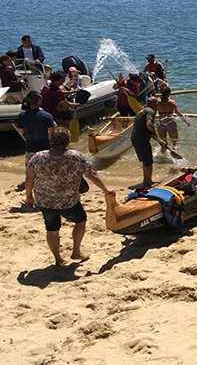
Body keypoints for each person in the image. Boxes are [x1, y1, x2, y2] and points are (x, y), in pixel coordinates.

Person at [25, 127, 115, 266]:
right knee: (80, 221)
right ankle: (76, 252)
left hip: (45, 201)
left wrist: (28, 196)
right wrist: (105, 189)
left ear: (51, 141)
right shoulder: (75, 156)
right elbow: (91, 175)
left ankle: (58, 259)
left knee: (52, 229)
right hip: (69, 202)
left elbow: (29, 178)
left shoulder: (38, 157)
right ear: (67, 141)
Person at [131, 97, 168, 189]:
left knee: (145, 161)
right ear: (155, 104)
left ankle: (146, 181)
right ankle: (148, 183)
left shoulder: (143, 110)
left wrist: (158, 140)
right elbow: (149, 124)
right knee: (149, 162)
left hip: (136, 138)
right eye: (158, 103)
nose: (159, 105)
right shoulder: (150, 111)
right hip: (141, 140)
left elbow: (147, 131)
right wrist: (159, 139)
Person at [13, 91, 55, 165]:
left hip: (30, 148)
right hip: (45, 149)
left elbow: (21, 132)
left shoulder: (22, 116)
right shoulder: (47, 116)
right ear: (38, 101)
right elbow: (52, 134)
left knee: (30, 173)